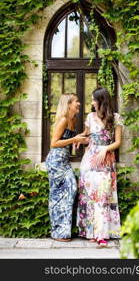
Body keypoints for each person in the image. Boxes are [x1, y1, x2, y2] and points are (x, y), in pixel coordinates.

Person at [77, 87, 123, 247]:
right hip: (89, 162)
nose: (91, 102)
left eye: (93, 99)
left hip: (106, 162)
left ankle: (101, 234)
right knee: (90, 197)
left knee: (103, 197)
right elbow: (87, 138)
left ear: (101, 101)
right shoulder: (90, 117)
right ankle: (91, 232)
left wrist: (105, 148)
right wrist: (76, 140)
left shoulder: (115, 118)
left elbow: (118, 142)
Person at [45, 93, 86, 242]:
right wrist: (74, 139)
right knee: (57, 196)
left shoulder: (73, 120)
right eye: (76, 101)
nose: (79, 104)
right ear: (68, 104)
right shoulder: (63, 120)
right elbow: (54, 143)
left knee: (72, 189)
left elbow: (67, 140)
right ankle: (59, 233)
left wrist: (78, 139)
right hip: (56, 161)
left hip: (64, 161)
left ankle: (63, 231)